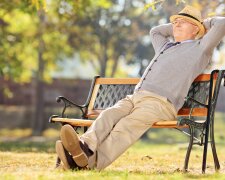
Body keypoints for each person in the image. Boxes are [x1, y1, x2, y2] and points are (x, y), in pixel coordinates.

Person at [55, 5, 225, 170]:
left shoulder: (200, 48)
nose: (177, 24)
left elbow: (222, 24)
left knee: (126, 127)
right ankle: (84, 146)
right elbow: (155, 31)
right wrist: (180, 24)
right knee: (108, 114)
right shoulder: (164, 46)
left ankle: (89, 163)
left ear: (196, 29)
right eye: (175, 21)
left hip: (160, 103)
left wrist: (203, 24)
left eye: (183, 21)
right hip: (135, 97)